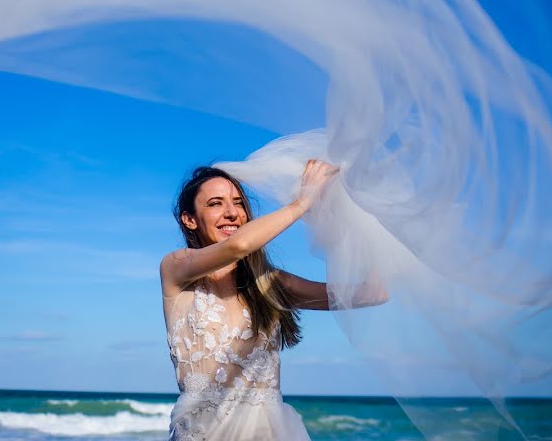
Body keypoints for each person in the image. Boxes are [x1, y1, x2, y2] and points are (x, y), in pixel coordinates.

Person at [161, 161, 387, 440]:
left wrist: (360, 219)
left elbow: (374, 293)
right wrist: (303, 202)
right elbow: (239, 246)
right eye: (215, 204)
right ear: (190, 219)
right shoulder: (175, 268)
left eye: (238, 203)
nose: (231, 213)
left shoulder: (269, 282)